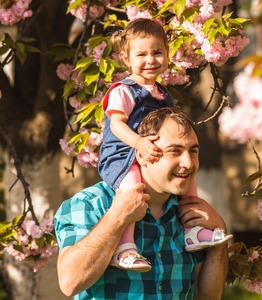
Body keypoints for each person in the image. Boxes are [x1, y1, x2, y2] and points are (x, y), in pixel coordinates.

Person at [98, 18, 231, 272]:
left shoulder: (163, 94)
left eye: (157, 52)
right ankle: (125, 249)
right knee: (132, 192)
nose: (151, 60)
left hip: (151, 155)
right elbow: (116, 125)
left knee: (187, 175)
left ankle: (192, 231)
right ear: (127, 59)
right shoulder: (123, 91)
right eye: (141, 54)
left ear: (167, 55)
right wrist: (138, 142)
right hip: (122, 155)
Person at [55, 107, 230, 299]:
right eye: (175, 151)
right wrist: (118, 217)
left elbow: (207, 296)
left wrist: (219, 233)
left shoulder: (192, 214)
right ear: (140, 155)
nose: (188, 163)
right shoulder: (90, 204)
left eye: (193, 151)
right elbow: (69, 283)